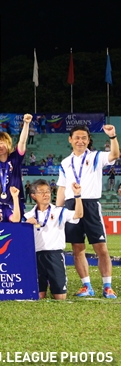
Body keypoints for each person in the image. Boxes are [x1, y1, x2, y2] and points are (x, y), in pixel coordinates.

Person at [56, 124, 118, 298]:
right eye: (77, 137)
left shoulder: (96, 156)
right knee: (77, 248)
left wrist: (112, 136)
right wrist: (58, 211)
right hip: (71, 206)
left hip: (90, 204)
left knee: (101, 247)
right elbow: (62, 188)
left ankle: (107, 286)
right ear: (70, 139)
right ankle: (86, 286)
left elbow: (114, 155)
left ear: (88, 140)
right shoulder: (65, 162)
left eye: (84, 138)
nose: (80, 141)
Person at [24, 180, 84, 300]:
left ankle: (54, 284)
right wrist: (26, 225)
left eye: (47, 191)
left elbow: (79, 214)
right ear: (33, 196)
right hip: (35, 256)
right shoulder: (28, 215)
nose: (46, 194)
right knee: (38, 296)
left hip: (55, 255)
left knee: (60, 297)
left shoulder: (59, 211)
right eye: (41, 192)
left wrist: (77, 195)